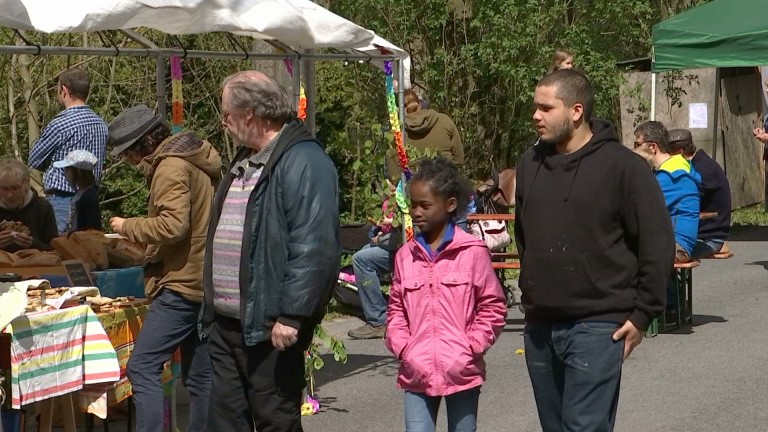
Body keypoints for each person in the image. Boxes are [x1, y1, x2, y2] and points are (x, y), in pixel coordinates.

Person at [515, 69, 674, 431]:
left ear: (576, 111)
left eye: (545, 108)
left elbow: (655, 241)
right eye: (534, 107)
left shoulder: (624, 167)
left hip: (598, 325)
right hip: (540, 326)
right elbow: (525, 236)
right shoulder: (529, 164)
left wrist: (643, 314)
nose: (535, 116)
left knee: (583, 426)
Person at [201, 70, 340, 431]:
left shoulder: (304, 161)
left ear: (249, 114)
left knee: (275, 422)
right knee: (225, 423)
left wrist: (292, 315)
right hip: (229, 328)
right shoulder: (244, 161)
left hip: (269, 330)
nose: (224, 123)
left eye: (226, 114)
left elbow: (315, 245)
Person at [108, 104, 220, 432]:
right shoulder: (190, 160)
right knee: (200, 377)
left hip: (182, 285)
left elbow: (173, 226)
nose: (127, 161)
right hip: (201, 280)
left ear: (140, 145)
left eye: (127, 153)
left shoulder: (170, 167)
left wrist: (127, 225)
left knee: (142, 367)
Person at [386, 156, 506, 432]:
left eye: (425, 205)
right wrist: (404, 347)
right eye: (413, 205)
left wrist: (471, 346)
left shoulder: (473, 253)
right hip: (416, 371)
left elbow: (493, 307)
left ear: (450, 205)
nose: (416, 212)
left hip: (461, 371)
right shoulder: (405, 257)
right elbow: (395, 309)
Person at [28, 68, 108, 233]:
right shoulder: (101, 124)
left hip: (62, 200)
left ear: (64, 90)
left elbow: (34, 159)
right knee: (88, 248)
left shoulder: (60, 124)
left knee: (61, 249)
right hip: (91, 195)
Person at [634, 121, 701, 262]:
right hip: (674, 242)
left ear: (653, 147)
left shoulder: (670, 175)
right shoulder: (673, 168)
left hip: (677, 246)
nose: (633, 150)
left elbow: (639, 208)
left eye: (637, 145)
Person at [348, 180, 400, 340]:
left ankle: (378, 321)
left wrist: (380, 239)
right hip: (392, 243)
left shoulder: (407, 197)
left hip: (405, 248)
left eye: (391, 183)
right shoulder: (389, 201)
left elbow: (404, 234)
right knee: (364, 253)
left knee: (361, 259)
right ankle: (380, 308)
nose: (388, 186)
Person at [672, 129, 732, 259]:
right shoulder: (700, 164)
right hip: (705, 235)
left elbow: (686, 204)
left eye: (669, 154)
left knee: (660, 256)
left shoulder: (702, 171)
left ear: (680, 151)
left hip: (708, 238)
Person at [387, 89, 464, 180]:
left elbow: (394, 175)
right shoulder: (444, 120)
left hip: (415, 188)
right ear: (419, 104)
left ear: (398, 110)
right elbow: (459, 159)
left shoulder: (396, 133)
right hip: (446, 183)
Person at [0, 159, 57, 252]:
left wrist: (33, 244)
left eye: (15, 188)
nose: (9, 195)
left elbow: (54, 249)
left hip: (38, 264)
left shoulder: (42, 207)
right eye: (3, 189)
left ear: (26, 183)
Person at [52, 149, 101, 232]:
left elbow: (93, 227)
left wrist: (71, 235)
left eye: (67, 169)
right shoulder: (79, 193)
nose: (65, 173)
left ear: (78, 172)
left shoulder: (89, 196)